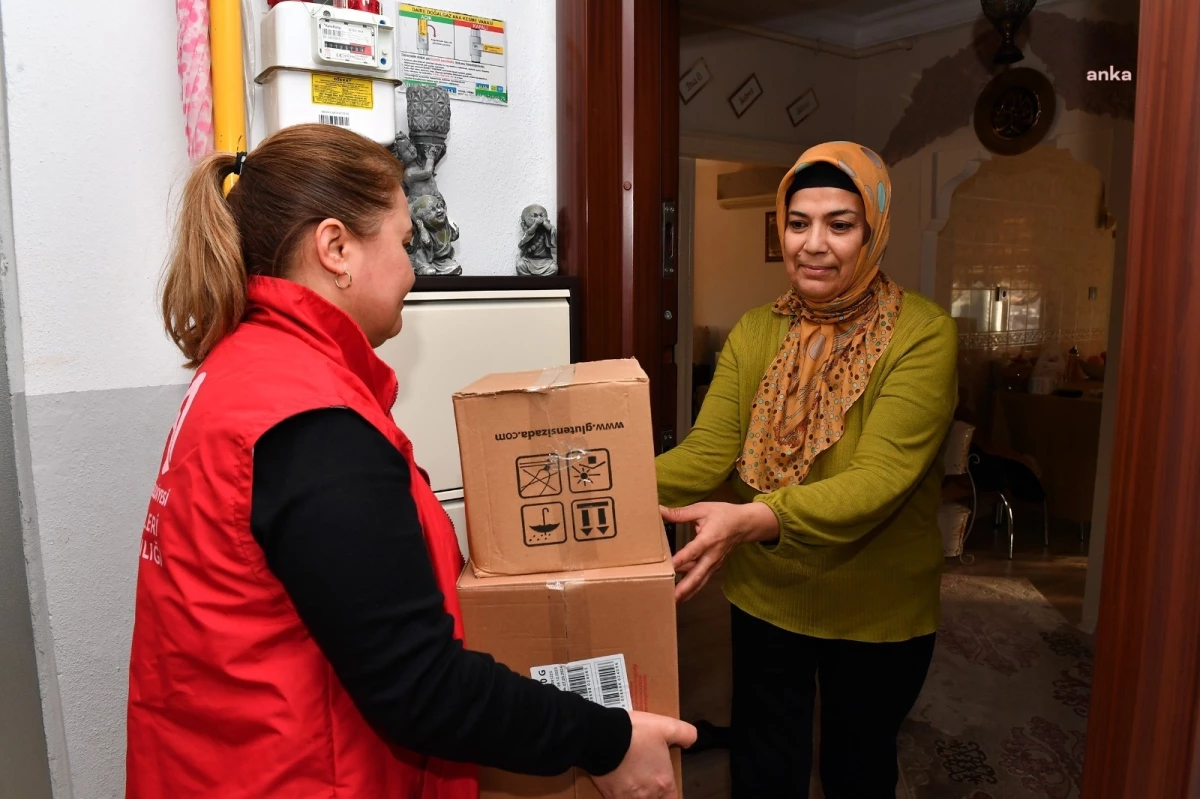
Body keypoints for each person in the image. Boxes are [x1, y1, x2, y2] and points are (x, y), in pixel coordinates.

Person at [125, 124, 694, 799]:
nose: (415, 267)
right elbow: (420, 685)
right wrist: (607, 738)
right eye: (403, 241)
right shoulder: (313, 422)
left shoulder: (244, 375)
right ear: (336, 248)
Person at [656, 141, 957, 798]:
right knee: (765, 764)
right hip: (768, 594)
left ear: (873, 230)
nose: (813, 244)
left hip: (876, 606)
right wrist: (607, 483)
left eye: (839, 223)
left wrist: (757, 516)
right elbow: (709, 452)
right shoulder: (758, 329)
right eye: (798, 223)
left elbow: (878, 481)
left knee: (858, 767)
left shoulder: (923, 335)